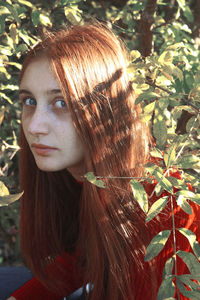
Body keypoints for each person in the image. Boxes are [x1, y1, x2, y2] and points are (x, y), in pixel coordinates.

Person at [3, 21, 200, 300]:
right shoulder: (80, 178)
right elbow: (83, 258)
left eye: (62, 103)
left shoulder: (164, 210)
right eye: (29, 101)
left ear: (104, 111)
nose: (35, 126)